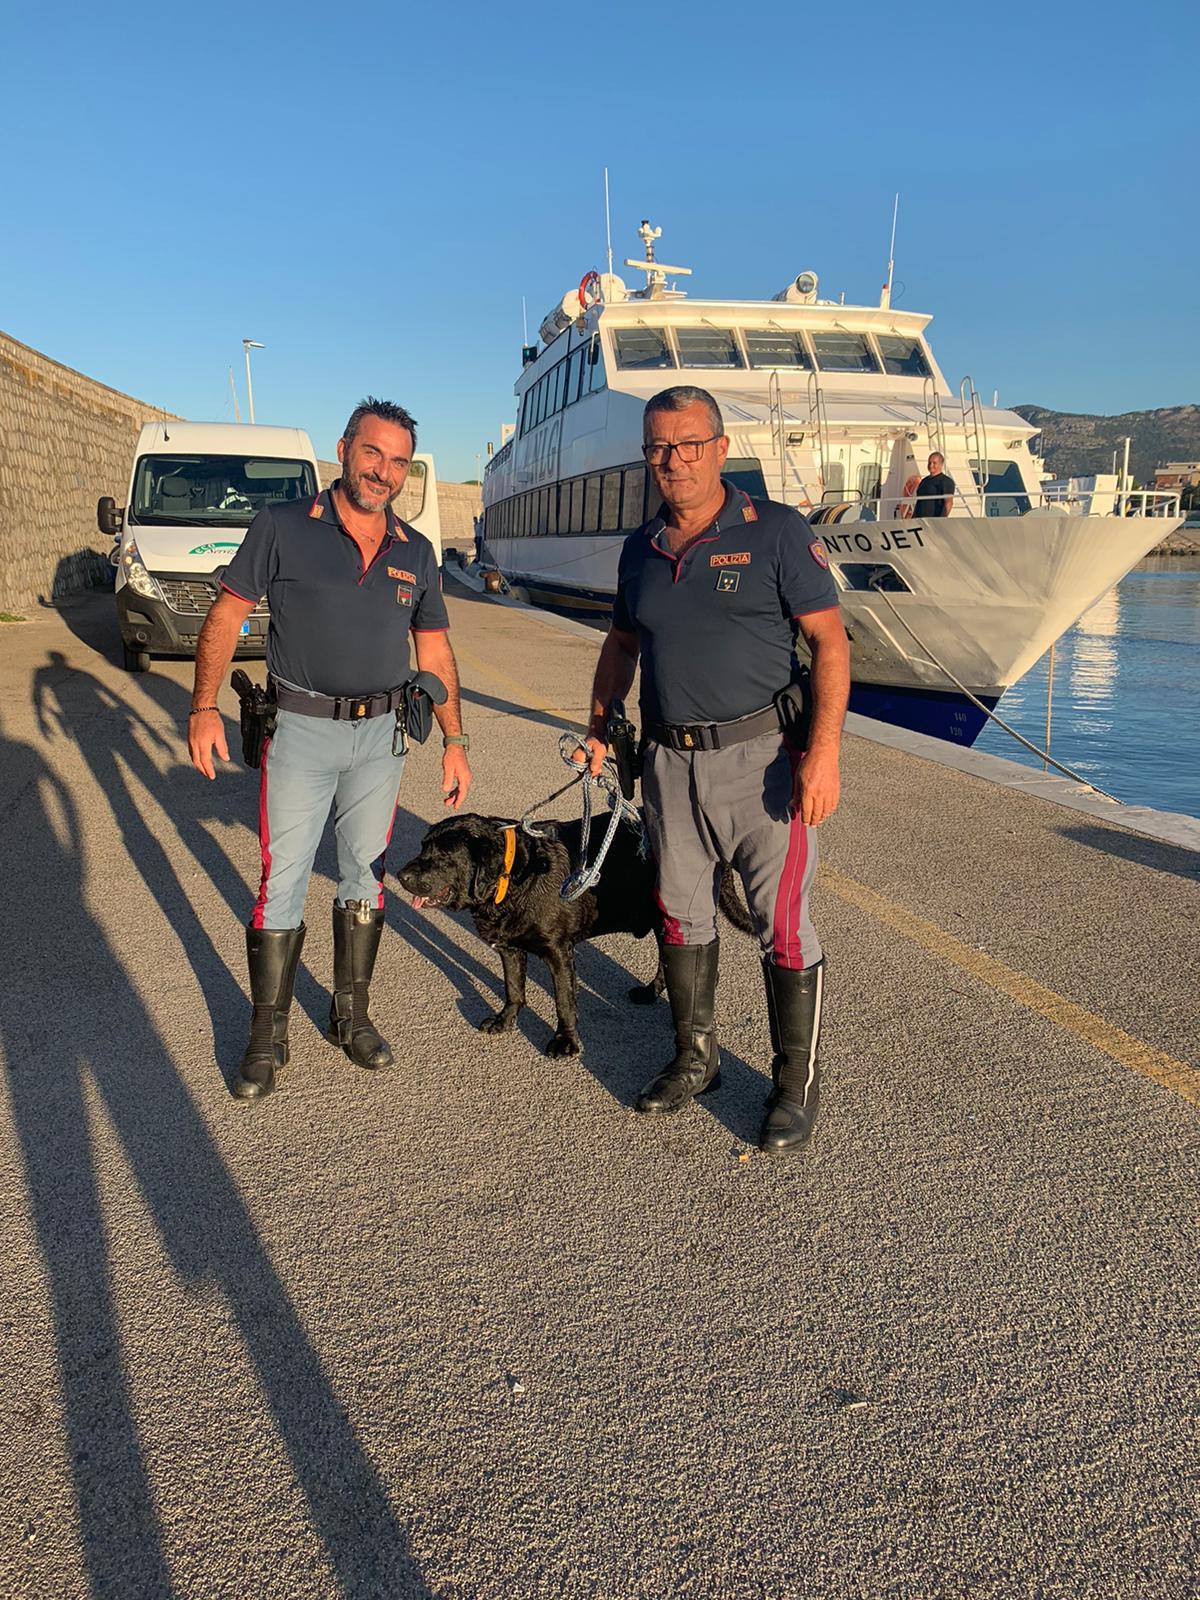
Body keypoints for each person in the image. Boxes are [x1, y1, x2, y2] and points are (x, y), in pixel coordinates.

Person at [578, 385, 849, 1156]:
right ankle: (696, 1060)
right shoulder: (640, 550)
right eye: (659, 447)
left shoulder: (778, 534)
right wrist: (600, 725)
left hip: (763, 763)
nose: (674, 460)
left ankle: (794, 1085)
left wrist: (823, 753)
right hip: (668, 762)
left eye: (689, 443)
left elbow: (831, 645)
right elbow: (623, 645)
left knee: (782, 926)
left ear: (721, 448)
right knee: (680, 913)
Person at [188, 397, 472, 1101]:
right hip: (301, 731)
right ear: (345, 449)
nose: (383, 471)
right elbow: (226, 613)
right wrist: (202, 708)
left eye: (399, 461)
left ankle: (352, 1015)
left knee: (363, 875)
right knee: (281, 878)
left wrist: (457, 739)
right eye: (373, 453)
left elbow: (434, 648)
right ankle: (267, 1033)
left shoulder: (416, 550)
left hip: (383, 737)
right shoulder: (284, 525)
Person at [910, 452, 955, 517]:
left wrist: (940, 521)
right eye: (929, 462)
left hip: (934, 522)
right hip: (919, 521)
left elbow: (948, 503)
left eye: (934, 463)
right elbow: (919, 502)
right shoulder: (924, 481)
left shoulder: (946, 481)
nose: (931, 465)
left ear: (941, 464)